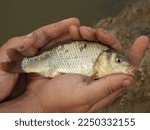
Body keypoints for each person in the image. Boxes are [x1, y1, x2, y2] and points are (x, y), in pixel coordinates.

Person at [0, 18, 148, 112]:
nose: (122, 64)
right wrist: (38, 105)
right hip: (49, 61)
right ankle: (20, 64)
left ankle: (20, 64)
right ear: (102, 59)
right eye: (118, 61)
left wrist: (39, 104)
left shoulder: (101, 68)